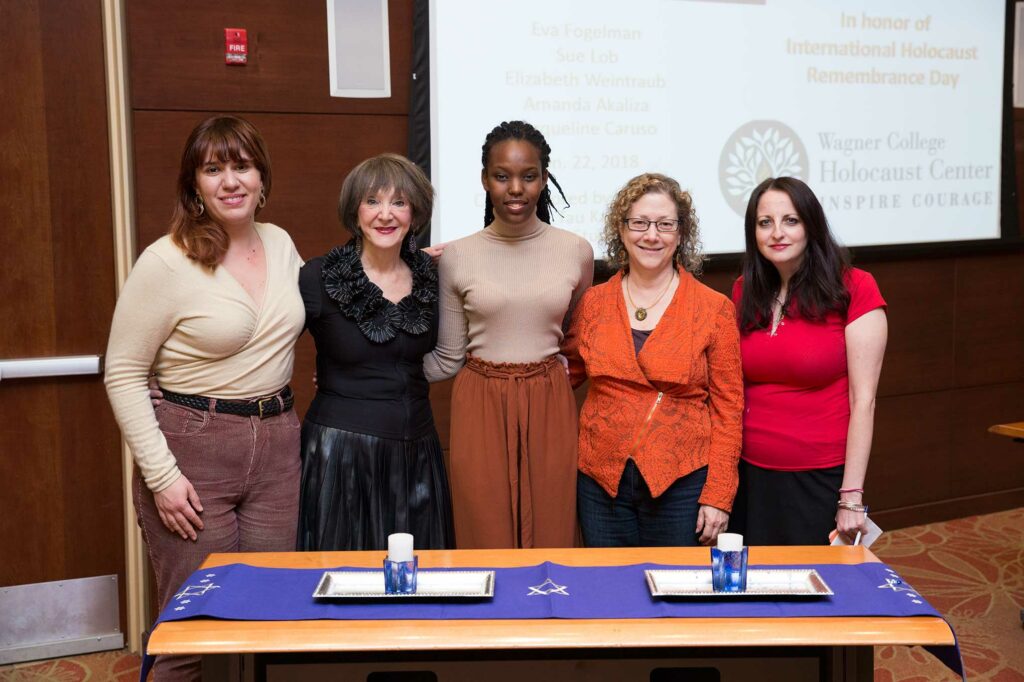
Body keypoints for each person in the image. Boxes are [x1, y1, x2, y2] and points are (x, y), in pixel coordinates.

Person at [105, 115, 304, 681]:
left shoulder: (281, 243)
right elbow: (122, 372)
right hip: (192, 451)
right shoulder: (165, 261)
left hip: (278, 446)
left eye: (242, 166)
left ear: (263, 178)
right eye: (213, 169)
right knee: (191, 631)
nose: (230, 181)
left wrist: (418, 263)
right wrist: (162, 476)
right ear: (194, 184)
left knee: (268, 618)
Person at [424, 120, 594, 549]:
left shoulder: (576, 251)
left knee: (554, 528)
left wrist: (550, 377)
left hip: (549, 399)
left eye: (528, 175)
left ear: (543, 179)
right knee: (483, 530)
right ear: (485, 180)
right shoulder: (458, 256)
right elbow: (447, 356)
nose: (515, 188)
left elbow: (574, 340)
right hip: (479, 399)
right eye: (502, 176)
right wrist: (364, 373)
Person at [562, 173, 743, 547]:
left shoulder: (714, 310)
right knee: (610, 592)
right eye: (640, 223)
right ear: (622, 229)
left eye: (665, 224)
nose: (651, 235)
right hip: (599, 479)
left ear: (680, 234)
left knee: (675, 595)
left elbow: (729, 409)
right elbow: (564, 375)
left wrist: (718, 495)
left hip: (681, 481)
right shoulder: (593, 303)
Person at [296, 153, 453, 551]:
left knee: (420, 587)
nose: (386, 214)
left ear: (415, 212)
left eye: (399, 202)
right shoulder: (318, 277)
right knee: (343, 583)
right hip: (341, 455)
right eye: (373, 201)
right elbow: (262, 342)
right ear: (355, 210)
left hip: (417, 451)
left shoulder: (433, 277)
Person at [730, 176, 887, 546]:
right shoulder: (745, 290)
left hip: (818, 477)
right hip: (749, 475)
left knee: (811, 591)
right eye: (764, 222)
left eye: (791, 220)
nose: (776, 233)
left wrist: (851, 497)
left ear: (811, 225)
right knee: (751, 591)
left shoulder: (855, 288)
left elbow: (863, 401)